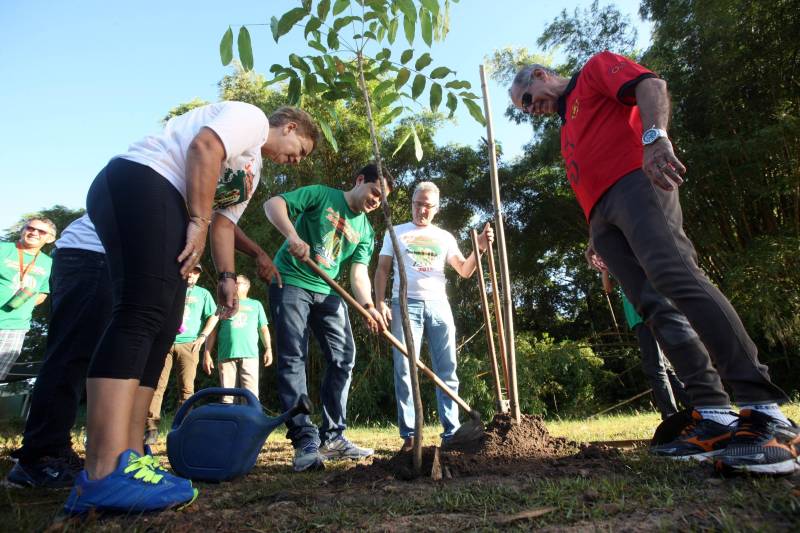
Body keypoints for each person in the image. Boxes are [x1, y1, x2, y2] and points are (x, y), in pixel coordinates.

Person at [510, 52, 798, 474]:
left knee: (676, 276)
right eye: (524, 108)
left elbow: (651, 85)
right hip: (604, 217)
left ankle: (765, 411)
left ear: (540, 74)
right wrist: (596, 231)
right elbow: (589, 173)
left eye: (528, 97)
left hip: (637, 185)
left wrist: (655, 137)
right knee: (652, 305)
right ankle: (714, 415)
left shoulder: (593, 71)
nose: (531, 108)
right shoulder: (566, 126)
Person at [64, 102, 319, 514]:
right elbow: (204, 147)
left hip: (166, 203)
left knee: (163, 325)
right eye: (300, 149)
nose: (296, 159)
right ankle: (102, 470)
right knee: (140, 311)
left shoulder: (252, 169)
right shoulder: (252, 119)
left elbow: (223, 224)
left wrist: (226, 280)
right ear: (290, 126)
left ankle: (133, 459)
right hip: (143, 182)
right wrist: (196, 221)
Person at [263, 163, 390, 472]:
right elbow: (273, 204)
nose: (376, 201)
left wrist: (369, 305)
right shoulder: (321, 195)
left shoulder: (366, 231)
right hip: (291, 280)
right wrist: (293, 236)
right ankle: (305, 440)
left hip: (328, 291)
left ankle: (332, 437)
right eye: (375, 192)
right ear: (360, 180)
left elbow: (358, 273)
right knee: (294, 357)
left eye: (382, 199)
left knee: (344, 356)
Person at [372, 181, 493, 451]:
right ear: (411, 203)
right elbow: (382, 270)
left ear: (436, 209)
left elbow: (464, 270)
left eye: (428, 206)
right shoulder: (396, 232)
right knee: (405, 369)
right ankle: (411, 436)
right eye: (418, 204)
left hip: (439, 304)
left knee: (447, 367)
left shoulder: (445, 236)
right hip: (405, 304)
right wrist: (380, 302)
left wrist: (480, 248)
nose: (422, 210)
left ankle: (451, 433)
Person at [5, 215, 108, 488]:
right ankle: (39, 457)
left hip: (99, 258)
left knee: (85, 358)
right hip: (93, 256)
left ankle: (54, 448)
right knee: (70, 355)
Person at [145, 264, 218, 445]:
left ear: (198, 275)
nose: (192, 275)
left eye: (196, 272)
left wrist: (203, 336)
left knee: (187, 388)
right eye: (190, 271)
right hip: (165, 343)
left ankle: (184, 427)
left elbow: (215, 314)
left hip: (189, 345)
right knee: (156, 386)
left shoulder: (203, 294)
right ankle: (150, 429)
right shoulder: (171, 288)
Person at [0, 217, 56, 381]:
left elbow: (43, 294)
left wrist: (25, 301)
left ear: (50, 238)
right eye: (30, 228)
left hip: (14, 328)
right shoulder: (3, 249)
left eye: (41, 231)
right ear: (22, 230)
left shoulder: (49, 264)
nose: (34, 233)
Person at [203, 274, 271, 402]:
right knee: (228, 397)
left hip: (249, 355)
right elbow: (212, 330)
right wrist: (207, 353)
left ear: (247, 286)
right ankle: (230, 422)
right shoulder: (223, 304)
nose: (233, 285)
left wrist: (268, 349)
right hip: (226, 354)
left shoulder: (256, 304)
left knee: (251, 397)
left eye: (237, 283)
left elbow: (263, 329)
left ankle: (249, 422)